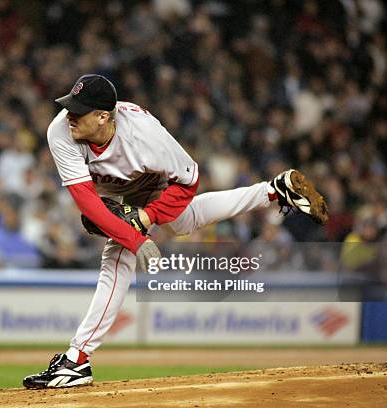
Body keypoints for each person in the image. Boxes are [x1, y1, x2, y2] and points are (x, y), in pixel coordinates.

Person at [22, 74, 328, 389]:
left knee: (157, 233)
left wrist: (148, 216)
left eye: (79, 110)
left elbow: (189, 180)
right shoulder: (61, 130)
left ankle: (77, 360)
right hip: (108, 193)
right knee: (135, 239)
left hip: (151, 178)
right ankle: (274, 191)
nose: (69, 115)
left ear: (103, 116)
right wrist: (137, 239)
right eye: (70, 107)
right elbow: (88, 203)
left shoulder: (147, 137)